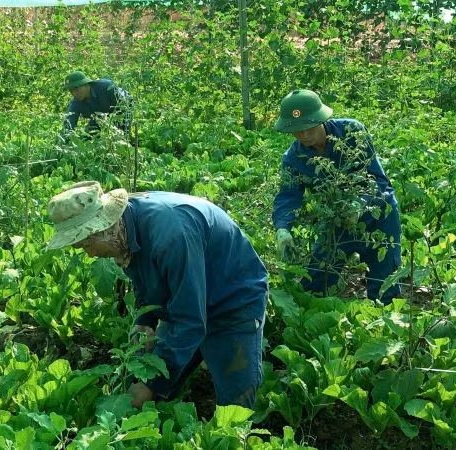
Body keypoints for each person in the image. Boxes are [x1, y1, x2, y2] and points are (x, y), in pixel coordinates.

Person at [46, 181, 268, 409]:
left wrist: (151, 385)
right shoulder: (123, 230)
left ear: (102, 229)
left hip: (233, 299)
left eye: (86, 245)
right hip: (187, 298)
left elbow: (190, 321)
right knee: (160, 376)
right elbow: (146, 279)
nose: (90, 253)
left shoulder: (170, 234)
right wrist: (145, 320)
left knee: (235, 406)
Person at [272, 89, 402, 304]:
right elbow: (288, 195)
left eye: (308, 127)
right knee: (316, 281)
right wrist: (283, 228)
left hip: (379, 217)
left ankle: (383, 329)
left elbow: (377, 181)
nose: (303, 135)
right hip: (337, 222)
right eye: (296, 130)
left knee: (384, 285)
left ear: (321, 119)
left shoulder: (352, 132)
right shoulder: (294, 157)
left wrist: (359, 203)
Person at [59, 71, 132, 141]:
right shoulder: (75, 102)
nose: (74, 94)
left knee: (122, 136)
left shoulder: (107, 87)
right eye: (71, 91)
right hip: (98, 117)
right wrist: (64, 142)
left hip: (121, 109)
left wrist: (122, 130)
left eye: (76, 89)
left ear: (86, 84)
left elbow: (124, 106)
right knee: (89, 136)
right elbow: (68, 124)